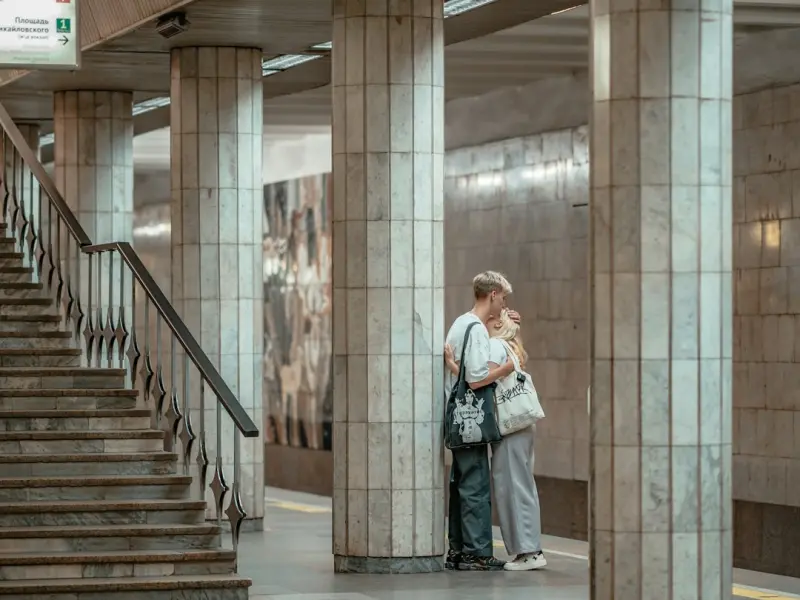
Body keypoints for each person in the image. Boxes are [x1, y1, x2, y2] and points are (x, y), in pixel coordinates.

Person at [445, 308, 546, 572]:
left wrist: (453, 367)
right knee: (521, 485)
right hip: (521, 426)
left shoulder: (494, 346)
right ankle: (529, 549)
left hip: (510, 429)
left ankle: (528, 552)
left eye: (490, 318)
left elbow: (478, 381)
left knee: (512, 487)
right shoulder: (510, 346)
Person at [444, 271, 515, 571]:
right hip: (472, 420)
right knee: (475, 484)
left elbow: (460, 371)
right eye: (503, 298)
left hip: (458, 420)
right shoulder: (475, 329)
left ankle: (459, 550)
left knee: (461, 484)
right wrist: (508, 367)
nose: (503, 305)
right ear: (494, 293)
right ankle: (477, 553)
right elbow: (475, 380)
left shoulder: (462, 324)